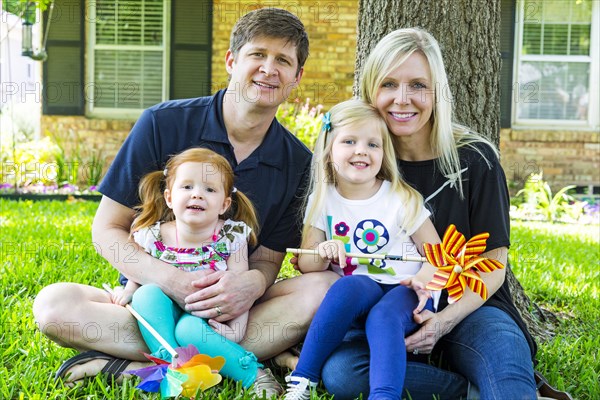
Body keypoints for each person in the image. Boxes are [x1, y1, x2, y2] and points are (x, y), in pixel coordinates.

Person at [33, 8, 338, 397]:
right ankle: (224, 362)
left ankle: (133, 367)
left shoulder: (298, 163)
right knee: (54, 306)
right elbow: (107, 229)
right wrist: (171, 280)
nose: (268, 69)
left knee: (324, 287)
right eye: (257, 55)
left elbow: (267, 260)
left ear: (297, 77)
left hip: (225, 313)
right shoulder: (163, 123)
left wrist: (250, 284)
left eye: (283, 60)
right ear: (232, 61)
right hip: (148, 306)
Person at [319, 28, 539, 399]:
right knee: (343, 374)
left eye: (418, 85)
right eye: (389, 84)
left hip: (470, 307)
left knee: (507, 371)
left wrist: (442, 322)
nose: (402, 100)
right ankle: (465, 392)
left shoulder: (475, 159)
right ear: (372, 90)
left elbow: (494, 263)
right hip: (383, 312)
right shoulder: (361, 161)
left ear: (437, 92)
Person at [282, 99, 442, 400]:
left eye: (373, 144)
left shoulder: (401, 198)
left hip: (406, 292)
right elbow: (309, 264)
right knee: (349, 286)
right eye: (349, 141)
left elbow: (436, 255)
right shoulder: (323, 198)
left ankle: (384, 396)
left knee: (383, 316)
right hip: (360, 295)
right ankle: (303, 380)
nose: (361, 150)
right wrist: (324, 249)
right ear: (329, 149)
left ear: (384, 153)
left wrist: (423, 280)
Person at [107, 147, 278, 393]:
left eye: (209, 189)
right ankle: (170, 361)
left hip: (205, 314)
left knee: (188, 330)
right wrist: (130, 290)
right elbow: (141, 273)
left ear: (224, 203)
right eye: (187, 187)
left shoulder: (231, 236)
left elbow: (239, 287)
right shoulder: (153, 235)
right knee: (147, 294)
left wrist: (236, 328)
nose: (197, 195)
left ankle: (254, 374)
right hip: (163, 311)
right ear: (169, 198)